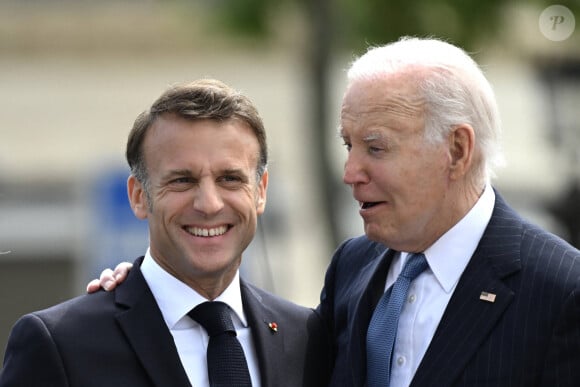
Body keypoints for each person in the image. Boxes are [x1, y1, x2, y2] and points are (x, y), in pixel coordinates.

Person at [88, 37, 580, 386]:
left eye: (375, 147)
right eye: (348, 145)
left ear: (455, 150)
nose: (350, 171)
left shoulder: (561, 292)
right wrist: (147, 290)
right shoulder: (353, 268)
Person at [0, 79, 331, 387]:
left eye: (230, 178)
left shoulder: (306, 338)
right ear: (139, 196)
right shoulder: (62, 344)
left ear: (260, 191)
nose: (209, 204)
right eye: (182, 180)